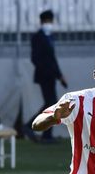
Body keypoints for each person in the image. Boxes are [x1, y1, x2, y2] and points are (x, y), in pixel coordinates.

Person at [29, 9, 68, 143]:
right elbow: (35, 58)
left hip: (51, 75)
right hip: (44, 75)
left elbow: (52, 58)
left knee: (50, 103)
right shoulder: (38, 37)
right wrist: (48, 71)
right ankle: (36, 129)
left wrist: (59, 75)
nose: (49, 23)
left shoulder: (49, 37)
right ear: (43, 21)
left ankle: (40, 130)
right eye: (47, 21)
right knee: (51, 103)